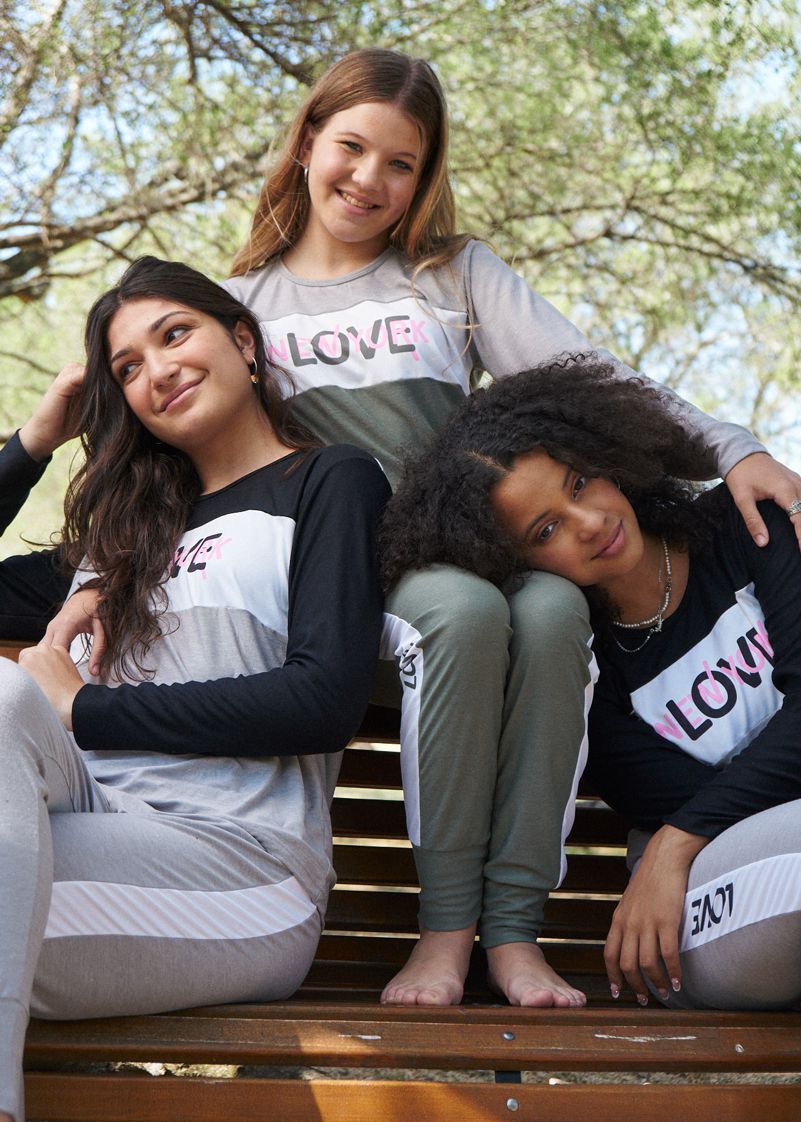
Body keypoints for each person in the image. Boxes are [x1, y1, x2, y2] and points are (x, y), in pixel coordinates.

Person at [22, 47, 801, 1009]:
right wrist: (98, 573)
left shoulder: (450, 274)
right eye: (351, 148)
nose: (369, 180)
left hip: (470, 547)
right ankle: (442, 935)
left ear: (424, 177)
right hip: (353, 573)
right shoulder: (242, 306)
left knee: (553, 608)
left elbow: (594, 381)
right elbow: (172, 472)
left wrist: (731, 448)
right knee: (461, 613)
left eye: (401, 163)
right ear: (307, 144)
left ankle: (512, 935)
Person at [0, 256, 389, 1122]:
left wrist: (84, 706)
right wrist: (34, 441)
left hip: (244, 867)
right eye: (127, 367)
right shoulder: (121, 538)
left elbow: (322, 701)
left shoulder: (326, 481)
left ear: (243, 342)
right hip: (88, 826)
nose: (157, 370)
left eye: (174, 334)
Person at [381, 354, 801, 1010]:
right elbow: (710, 804)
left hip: (683, 856)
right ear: (510, 561)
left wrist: (671, 842)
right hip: (707, 898)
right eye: (546, 529)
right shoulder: (583, 672)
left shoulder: (744, 525)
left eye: (579, 483)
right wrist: (680, 846)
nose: (590, 523)